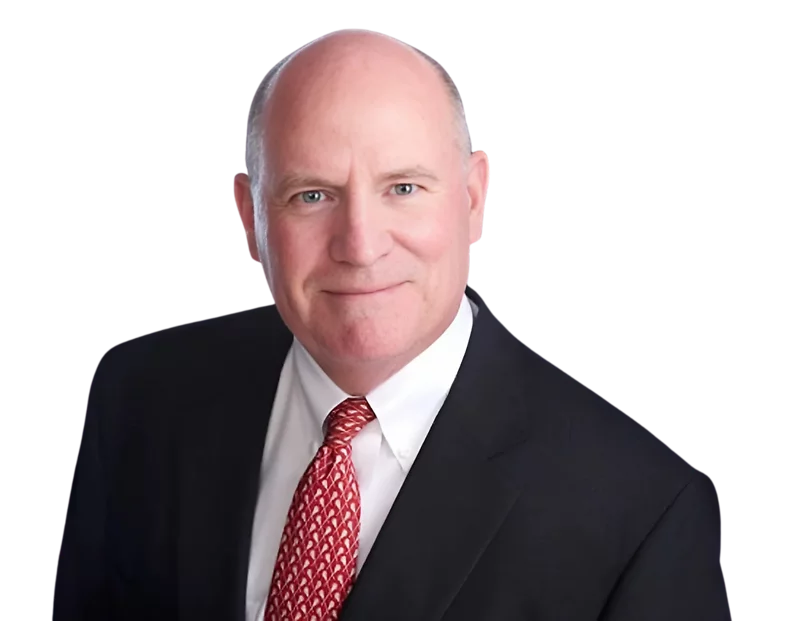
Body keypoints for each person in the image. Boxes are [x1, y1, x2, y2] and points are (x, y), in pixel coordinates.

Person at [52, 28, 731, 621]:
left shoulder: (645, 511)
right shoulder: (140, 397)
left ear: (472, 199)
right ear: (249, 216)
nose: (360, 243)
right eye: (312, 195)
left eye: (403, 188)